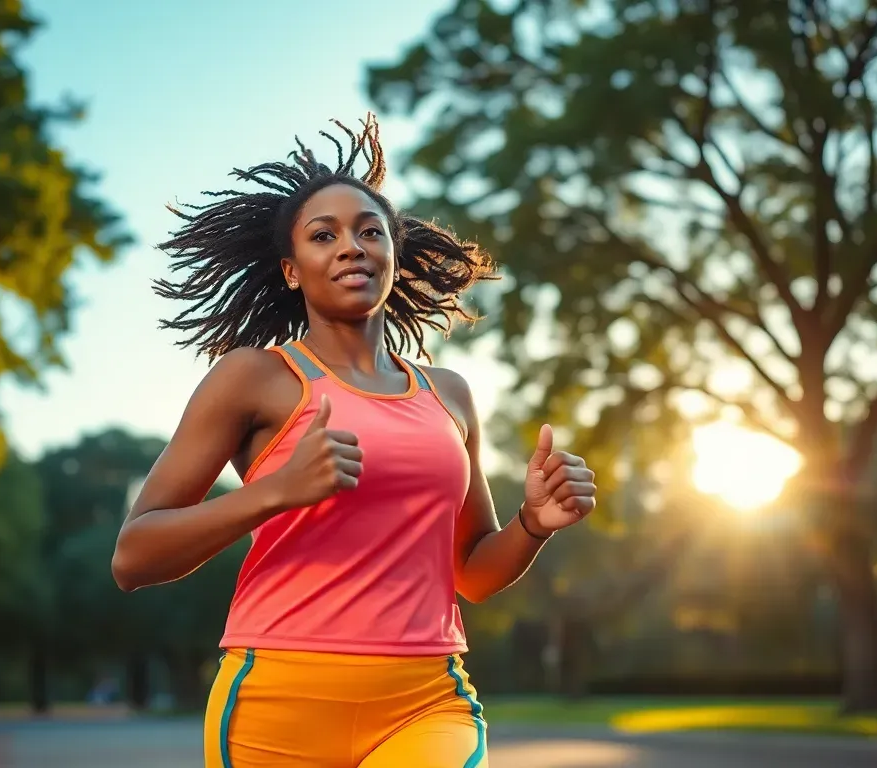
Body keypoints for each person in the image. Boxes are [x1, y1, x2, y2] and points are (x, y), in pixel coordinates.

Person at [111, 115, 598, 768]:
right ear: (291, 269)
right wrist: (274, 493)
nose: (351, 246)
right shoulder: (254, 378)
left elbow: (472, 574)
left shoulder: (448, 395)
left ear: (392, 257)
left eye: (370, 231)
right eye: (324, 234)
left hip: (427, 697)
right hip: (277, 699)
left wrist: (533, 524)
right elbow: (134, 557)